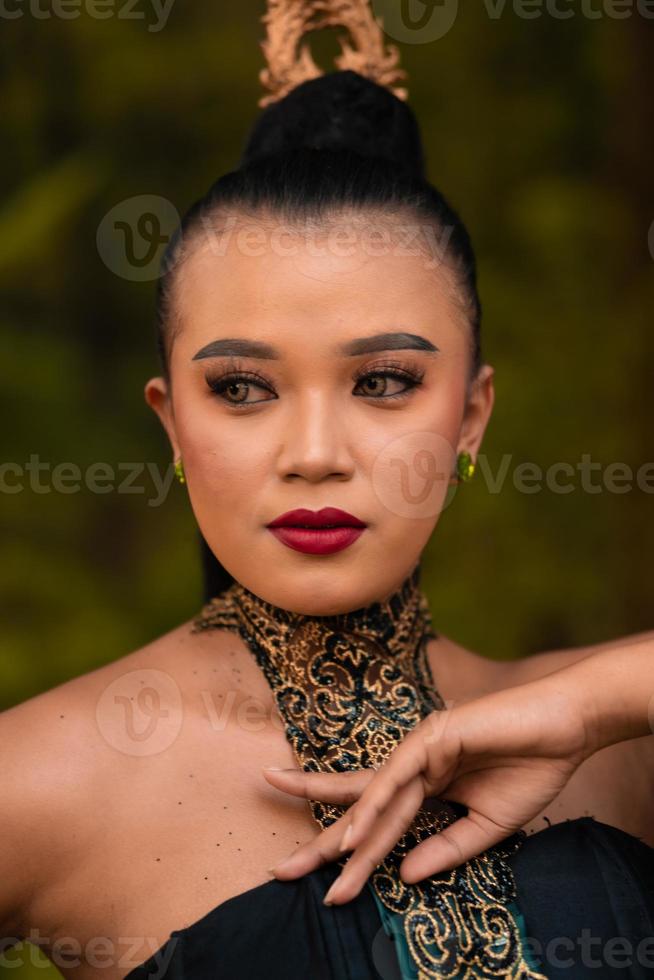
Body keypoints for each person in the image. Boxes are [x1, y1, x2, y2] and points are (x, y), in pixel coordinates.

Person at [2, 1, 653, 978]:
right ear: (172, 419)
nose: (314, 452)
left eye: (384, 381)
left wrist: (598, 703)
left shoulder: (618, 744)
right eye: (241, 389)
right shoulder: (41, 776)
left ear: (472, 415)